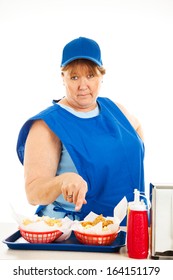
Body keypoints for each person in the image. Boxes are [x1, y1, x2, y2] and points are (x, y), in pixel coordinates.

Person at [16, 36, 145, 225]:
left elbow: (137, 129)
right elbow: (33, 192)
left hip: (127, 229)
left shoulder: (116, 110)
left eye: (90, 75)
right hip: (76, 233)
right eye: (74, 77)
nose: (83, 85)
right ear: (63, 77)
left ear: (102, 76)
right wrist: (63, 180)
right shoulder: (48, 124)